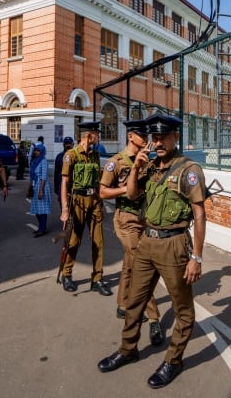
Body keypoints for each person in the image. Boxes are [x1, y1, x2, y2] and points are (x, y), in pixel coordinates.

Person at [97, 114, 207, 389]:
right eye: (154, 138)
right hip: (147, 240)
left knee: (183, 308)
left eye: (163, 137)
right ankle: (127, 349)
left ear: (175, 137)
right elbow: (132, 195)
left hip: (174, 244)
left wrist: (197, 257)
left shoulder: (188, 169)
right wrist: (135, 169)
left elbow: (200, 213)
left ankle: (174, 359)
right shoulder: (149, 167)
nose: (157, 142)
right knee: (135, 299)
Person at [99, 119, 165, 347]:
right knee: (142, 267)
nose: (145, 138)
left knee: (129, 263)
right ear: (130, 136)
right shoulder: (115, 162)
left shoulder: (147, 161)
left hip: (143, 218)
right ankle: (154, 318)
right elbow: (103, 192)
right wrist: (125, 190)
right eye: (141, 135)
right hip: (126, 220)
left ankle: (122, 304)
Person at [59, 122, 110, 295]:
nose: (99, 137)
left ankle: (97, 278)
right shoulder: (71, 155)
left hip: (94, 200)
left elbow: (99, 179)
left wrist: (101, 201)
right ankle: (66, 274)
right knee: (74, 240)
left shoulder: (95, 155)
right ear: (89, 135)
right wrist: (65, 209)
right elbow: (65, 182)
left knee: (99, 242)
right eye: (97, 134)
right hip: (77, 201)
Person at [29, 143, 51, 237]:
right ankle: (42, 227)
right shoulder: (34, 161)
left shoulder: (43, 161)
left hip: (42, 186)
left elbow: (43, 177)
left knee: (42, 209)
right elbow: (31, 176)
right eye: (35, 150)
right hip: (35, 185)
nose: (36, 152)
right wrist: (28, 189)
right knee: (37, 209)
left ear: (42, 152)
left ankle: (42, 229)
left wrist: (41, 190)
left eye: (38, 150)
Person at [54, 136, 74, 207]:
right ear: (63, 145)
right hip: (62, 185)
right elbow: (56, 173)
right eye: (66, 143)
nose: (68, 145)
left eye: (69, 143)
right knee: (63, 205)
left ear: (73, 145)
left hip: (74, 185)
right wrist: (56, 188)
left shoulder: (77, 156)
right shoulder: (59, 156)